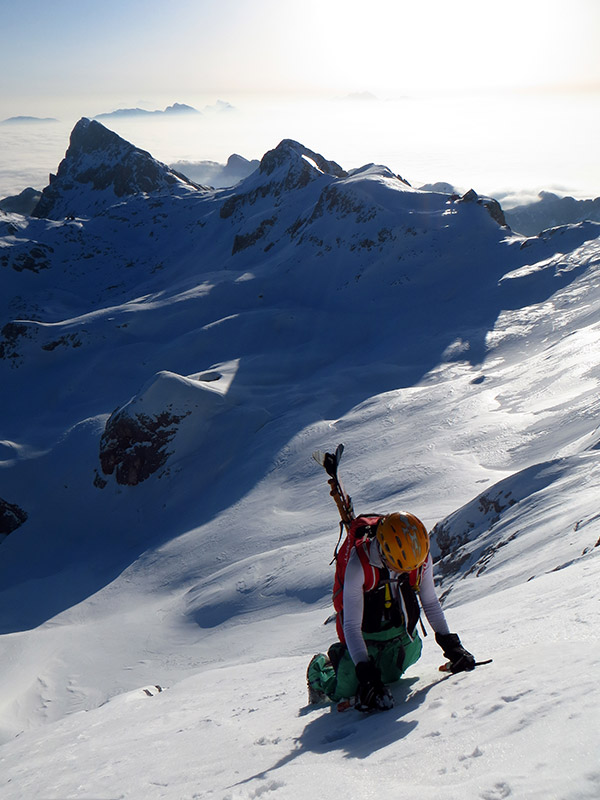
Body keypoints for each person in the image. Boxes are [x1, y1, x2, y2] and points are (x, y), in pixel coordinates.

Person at [307, 511, 476, 711]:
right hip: (365, 634)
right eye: (397, 566)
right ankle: (322, 668)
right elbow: (351, 626)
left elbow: (430, 602)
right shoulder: (359, 564)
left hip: (399, 631)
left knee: (393, 673)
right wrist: (366, 675)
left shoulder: (418, 557)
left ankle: (371, 666)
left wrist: (452, 646)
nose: (404, 572)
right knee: (348, 687)